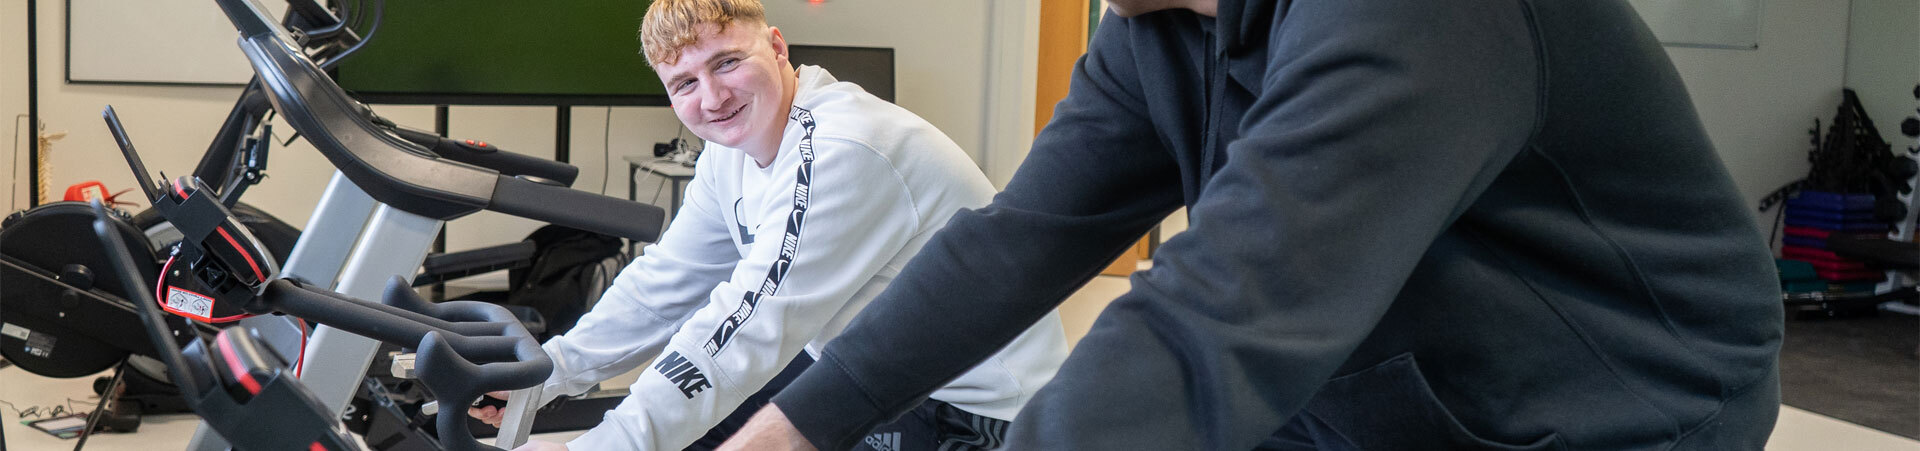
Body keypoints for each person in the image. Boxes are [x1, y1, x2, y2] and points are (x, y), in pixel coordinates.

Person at [723, 0, 1785, 449]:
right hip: (1370, 366)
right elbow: (1016, 241)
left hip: (1617, 395)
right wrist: (795, 425)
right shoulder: (1156, 27)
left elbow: (1214, 310)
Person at [475, 0, 1070, 449]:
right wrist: (549, 373)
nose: (711, 98)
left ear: (779, 48)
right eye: (684, 84)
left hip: (968, 408)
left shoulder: (844, 148)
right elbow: (664, 285)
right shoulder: (729, 153)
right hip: (867, 366)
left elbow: (746, 329)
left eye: (727, 63)